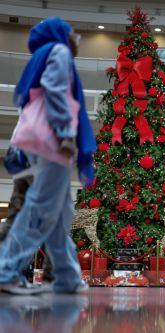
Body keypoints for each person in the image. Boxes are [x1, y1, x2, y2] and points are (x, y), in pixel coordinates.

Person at [0, 16, 96, 294]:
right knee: (40, 210)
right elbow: (55, 89)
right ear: (61, 34)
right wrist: (66, 132)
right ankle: (6, 271)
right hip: (51, 141)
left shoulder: (41, 56)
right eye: (73, 31)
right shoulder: (60, 51)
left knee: (60, 213)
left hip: (33, 141)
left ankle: (66, 277)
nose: (76, 37)